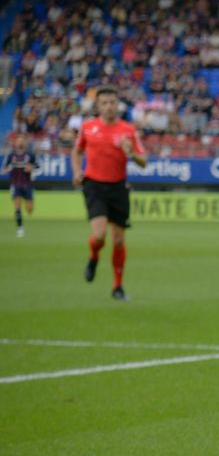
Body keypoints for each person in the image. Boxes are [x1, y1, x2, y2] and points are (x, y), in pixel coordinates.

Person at [71, 86, 146, 300]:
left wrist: (131, 153)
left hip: (118, 187)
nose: (109, 106)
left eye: (112, 102)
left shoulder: (128, 130)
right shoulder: (88, 127)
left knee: (119, 241)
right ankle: (93, 256)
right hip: (94, 185)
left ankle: (117, 287)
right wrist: (76, 172)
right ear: (98, 106)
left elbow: (143, 161)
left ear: (118, 105)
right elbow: (76, 151)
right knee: (99, 235)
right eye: (104, 103)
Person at [4, 132, 37, 237]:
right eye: (18, 140)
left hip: (27, 184)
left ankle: (27, 210)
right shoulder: (11, 155)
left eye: (22, 140)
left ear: (25, 142)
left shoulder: (30, 155)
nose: (20, 142)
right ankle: (20, 228)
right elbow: (4, 168)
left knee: (29, 209)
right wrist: (8, 169)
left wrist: (31, 168)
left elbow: (38, 167)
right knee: (17, 207)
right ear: (15, 142)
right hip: (15, 184)